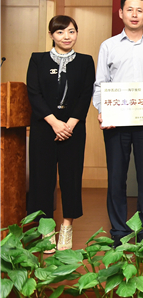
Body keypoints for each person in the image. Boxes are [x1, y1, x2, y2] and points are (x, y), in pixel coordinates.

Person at [93, 0, 143, 244]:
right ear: (121, 13)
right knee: (116, 177)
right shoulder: (108, 46)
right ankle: (118, 231)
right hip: (116, 121)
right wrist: (102, 109)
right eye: (130, 10)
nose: (134, 15)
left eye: (140, 10)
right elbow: (100, 83)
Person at [26, 15, 95, 251]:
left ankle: (66, 227)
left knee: (71, 178)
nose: (67, 36)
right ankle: (46, 229)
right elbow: (34, 93)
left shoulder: (85, 61)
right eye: (60, 32)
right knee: (42, 179)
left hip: (73, 129)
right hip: (44, 127)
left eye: (71, 31)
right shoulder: (38, 60)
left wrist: (69, 125)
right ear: (51, 35)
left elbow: (85, 95)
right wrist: (55, 123)